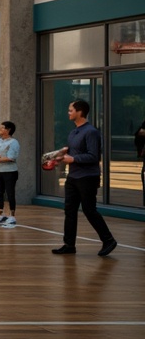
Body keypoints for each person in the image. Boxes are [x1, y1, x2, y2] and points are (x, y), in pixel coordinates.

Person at [50, 100, 116, 256]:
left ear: (79, 112)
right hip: (73, 176)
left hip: (88, 177)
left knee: (89, 210)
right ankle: (69, 245)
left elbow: (93, 156)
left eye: (70, 110)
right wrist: (60, 157)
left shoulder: (91, 132)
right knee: (70, 211)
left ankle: (109, 240)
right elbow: (74, 153)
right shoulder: (73, 132)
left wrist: (73, 159)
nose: (68, 112)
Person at [0, 120, 21, 226]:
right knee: (0, 192)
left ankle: (12, 215)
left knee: (10, 192)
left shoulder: (13, 142)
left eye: (2, 128)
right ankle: (0, 214)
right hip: (0, 170)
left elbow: (11, 157)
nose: (0, 129)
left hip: (10, 171)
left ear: (8, 130)